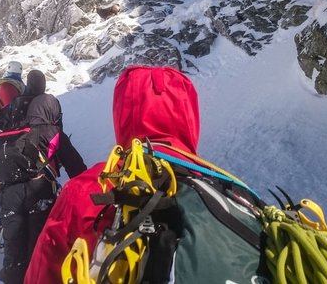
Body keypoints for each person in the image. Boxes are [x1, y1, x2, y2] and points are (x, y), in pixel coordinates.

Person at [24, 65, 200, 284]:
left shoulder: (86, 189)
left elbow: (42, 275)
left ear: (123, 113)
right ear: (190, 115)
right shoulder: (228, 193)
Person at [0, 69, 87, 284]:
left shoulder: (12, 130)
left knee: (13, 243)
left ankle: (11, 277)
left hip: (8, 191)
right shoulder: (51, 131)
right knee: (38, 244)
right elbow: (78, 169)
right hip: (39, 189)